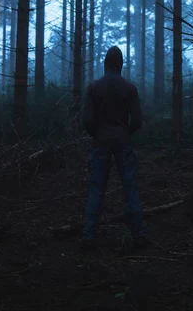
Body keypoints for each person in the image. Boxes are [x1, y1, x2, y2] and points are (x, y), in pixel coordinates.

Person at [82, 45, 147, 249]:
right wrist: (125, 132)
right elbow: (137, 120)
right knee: (130, 188)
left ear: (105, 63)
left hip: (100, 141)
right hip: (123, 142)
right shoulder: (129, 88)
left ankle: (89, 236)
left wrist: (97, 133)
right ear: (120, 64)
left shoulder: (94, 88)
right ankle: (139, 235)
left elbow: (87, 120)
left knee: (96, 189)